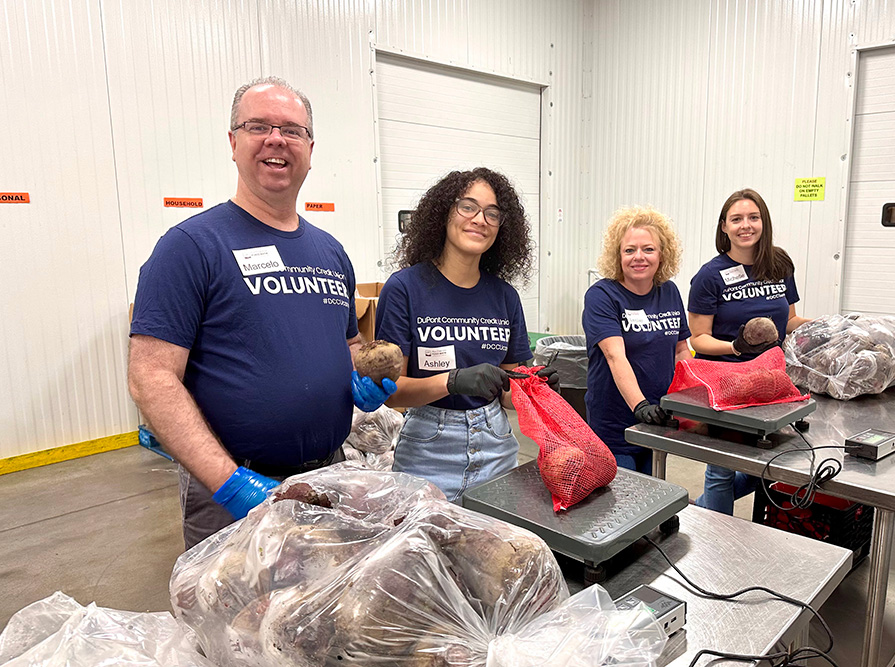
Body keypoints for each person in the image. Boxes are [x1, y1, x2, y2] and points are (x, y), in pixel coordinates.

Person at [128, 77, 394, 549]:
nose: (276, 139)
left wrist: (364, 378)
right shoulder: (191, 247)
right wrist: (227, 481)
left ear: (310, 147)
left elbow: (349, 344)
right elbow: (151, 376)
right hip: (233, 489)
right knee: (240, 619)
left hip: (327, 478)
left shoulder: (330, 252)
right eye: (258, 126)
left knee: (318, 615)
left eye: (292, 130)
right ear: (233, 142)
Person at [374, 168, 558, 501]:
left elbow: (506, 393)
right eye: (467, 207)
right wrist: (452, 381)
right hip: (428, 451)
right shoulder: (404, 288)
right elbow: (393, 393)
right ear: (443, 213)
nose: (480, 219)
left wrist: (533, 390)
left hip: (496, 448)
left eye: (492, 213)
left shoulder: (505, 296)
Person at [688, 187, 809, 514]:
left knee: (770, 466)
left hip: (770, 381)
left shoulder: (780, 263)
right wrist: (736, 347)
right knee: (722, 468)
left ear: (763, 222)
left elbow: (791, 319)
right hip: (725, 381)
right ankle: (718, 544)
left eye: (753, 217)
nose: (746, 225)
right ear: (724, 226)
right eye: (737, 219)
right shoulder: (709, 277)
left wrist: (835, 326)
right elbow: (698, 339)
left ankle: (699, 510)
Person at [582, 206, 691, 474]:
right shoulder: (602, 296)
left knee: (654, 493)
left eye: (648, 249)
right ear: (617, 255)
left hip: (660, 420)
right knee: (624, 502)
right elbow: (614, 356)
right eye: (629, 250)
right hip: (616, 425)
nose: (638, 257)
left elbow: (681, 351)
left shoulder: (669, 292)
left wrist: (692, 401)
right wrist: (640, 405)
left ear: (662, 253)